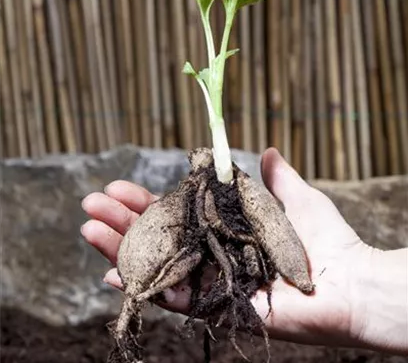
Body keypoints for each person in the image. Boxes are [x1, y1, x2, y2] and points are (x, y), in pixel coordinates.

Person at [81, 148, 408, 356]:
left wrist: (353, 285)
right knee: (143, 273)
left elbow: (275, 234)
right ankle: (134, 300)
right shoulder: (188, 196)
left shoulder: (244, 188)